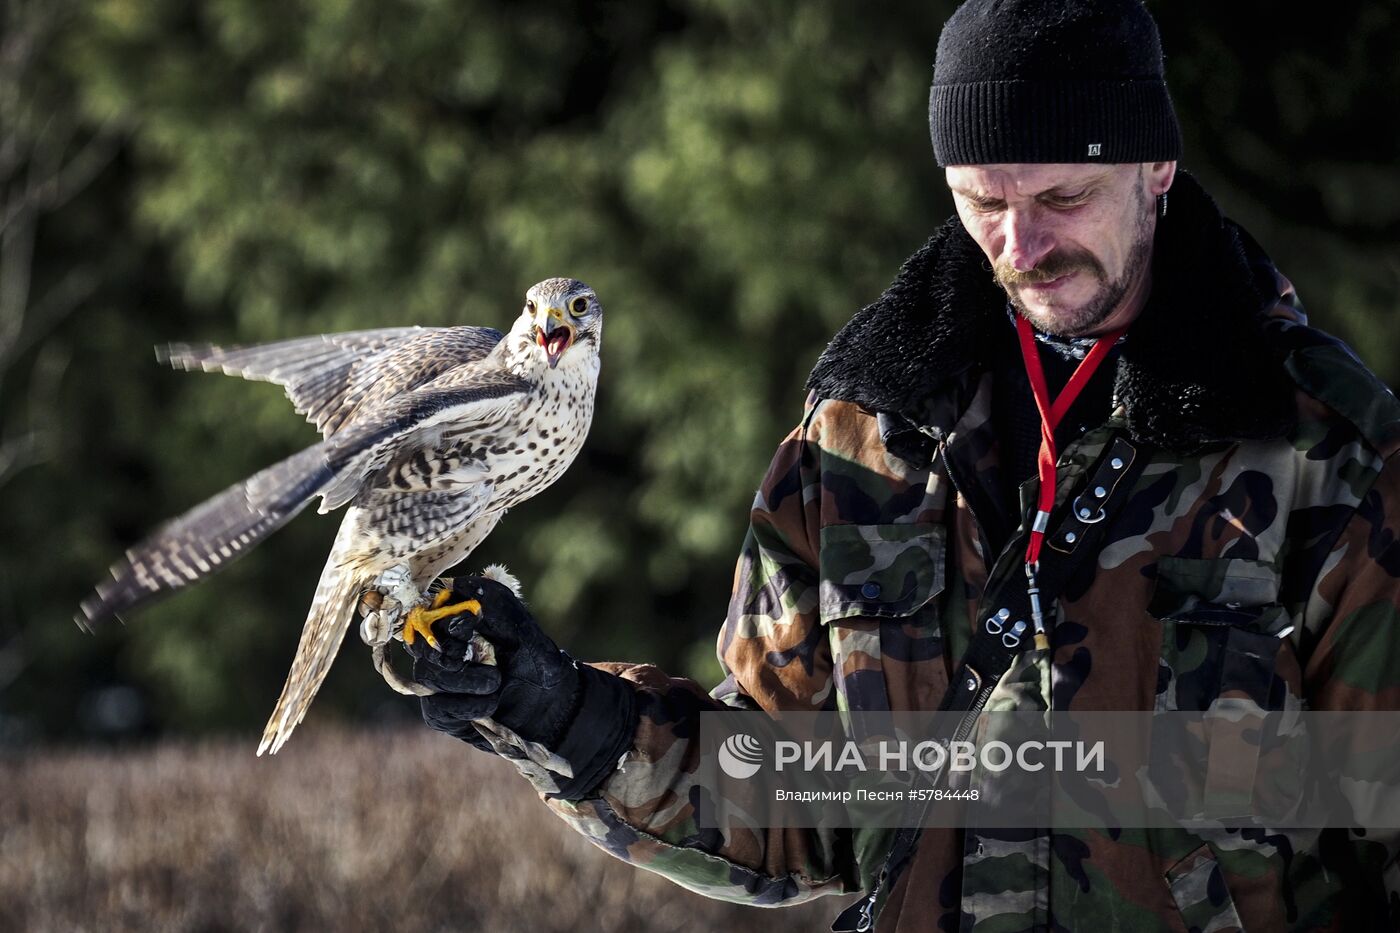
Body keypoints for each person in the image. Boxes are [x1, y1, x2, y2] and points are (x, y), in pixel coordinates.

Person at [407, 0, 1400, 929]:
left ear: (1154, 169)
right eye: (983, 201)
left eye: (1061, 196)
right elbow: (794, 798)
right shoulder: (859, 432)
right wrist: (558, 713)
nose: (1021, 246)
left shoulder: (1321, 441)